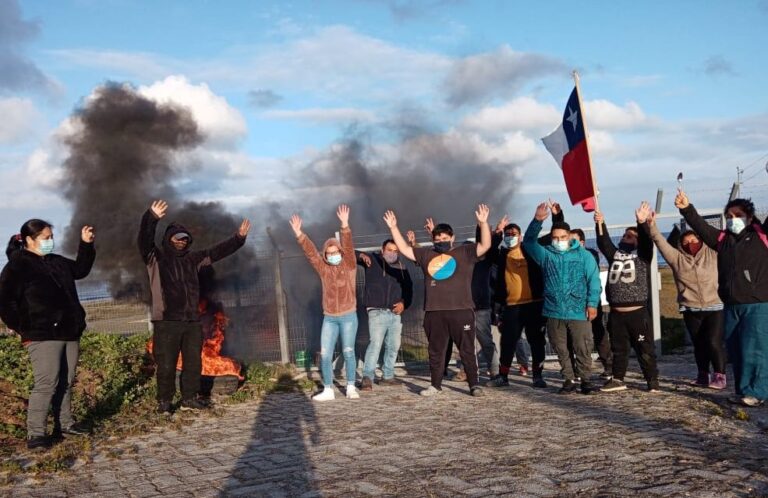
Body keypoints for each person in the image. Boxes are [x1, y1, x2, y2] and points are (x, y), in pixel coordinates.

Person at [139, 200, 250, 414]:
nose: (181, 242)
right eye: (177, 238)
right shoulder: (155, 258)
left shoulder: (193, 259)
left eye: (185, 239)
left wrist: (239, 239)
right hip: (166, 321)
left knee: (193, 363)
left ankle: (189, 397)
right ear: (168, 239)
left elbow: (217, 252)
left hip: (191, 321)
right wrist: (151, 217)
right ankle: (164, 401)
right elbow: (144, 240)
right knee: (167, 365)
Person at [0, 220, 95, 450]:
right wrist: (24, 327)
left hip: (69, 331)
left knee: (67, 379)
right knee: (46, 382)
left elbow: (80, 270)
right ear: (30, 240)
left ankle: (65, 424)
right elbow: (4, 301)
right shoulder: (17, 266)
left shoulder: (56, 261)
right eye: (45, 238)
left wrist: (86, 245)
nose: (50, 241)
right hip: (41, 334)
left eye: (51, 236)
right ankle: (36, 434)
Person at [384, 205, 492, 397]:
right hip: (434, 312)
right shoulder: (426, 254)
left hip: (462, 310)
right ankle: (435, 385)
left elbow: (485, 245)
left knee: (467, 350)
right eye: (437, 238)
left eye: (444, 238)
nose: (441, 241)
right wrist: (393, 227)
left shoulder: (464, 252)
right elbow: (404, 249)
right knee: (436, 351)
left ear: (452, 238)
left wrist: (483, 223)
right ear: (432, 240)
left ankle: (474, 384)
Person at [676, 191, 768, 406]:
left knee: (755, 349)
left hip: (758, 303)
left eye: (738, 215)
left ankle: (758, 392)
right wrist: (686, 208)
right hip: (731, 305)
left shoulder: (762, 235)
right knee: (736, 351)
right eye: (729, 216)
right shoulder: (722, 240)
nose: (733, 219)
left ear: (750, 217)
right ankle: (743, 391)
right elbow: (701, 227)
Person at [641, 205, 726, 388]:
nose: (690, 244)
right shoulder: (676, 258)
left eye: (694, 239)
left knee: (713, 341)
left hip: (715, 306)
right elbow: (660, 241)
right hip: (690, 308)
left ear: (701, 240)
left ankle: (720, 375)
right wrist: (651, 225)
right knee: (699, 344)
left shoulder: (713, 253)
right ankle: (703, 374)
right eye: (686, 242)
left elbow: (713, 235)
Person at [522, 203, 601, 395]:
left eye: (563, 237)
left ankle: (586, 380)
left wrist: (592, 304)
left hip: (578, 310)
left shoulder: (584, 256)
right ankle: (568, 379)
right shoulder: (546, 255)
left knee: (582, 347)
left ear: (569, 236)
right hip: (554, 310)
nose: (559, 240)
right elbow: (529, 242)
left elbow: (594, 280)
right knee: (560, 348)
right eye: (555, 238)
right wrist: (537, 221)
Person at [487, 200, 565, 389]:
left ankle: (537, 376)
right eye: (508, 234)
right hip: (511, 306)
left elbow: (554, 236)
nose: (510, 237)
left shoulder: (532, 250)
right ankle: (503, 376)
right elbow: (488, 250)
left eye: (514, 234)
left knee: (537, 341)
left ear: (521, 236)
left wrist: (556, 216)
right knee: (508, 342)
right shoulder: (501, 255)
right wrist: (498, 232)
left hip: (535, 303)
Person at [290, 205, 359, 401]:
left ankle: (351, 386)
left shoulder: (349, 265)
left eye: (335, 251)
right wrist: (299, 234)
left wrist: (345, 226)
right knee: (326, 354)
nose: (333, 255)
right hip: (329, 317)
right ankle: (328, 389)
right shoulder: (323, 270)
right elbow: (312, 254)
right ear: (326, 255)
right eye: (329, 253)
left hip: (348, 316)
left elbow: (349, 247)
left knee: (348, 352)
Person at [595, 203, 660, 393]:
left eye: (631, 236)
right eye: (624, 235)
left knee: (644, 349)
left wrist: (641, 223)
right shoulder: (615, 255)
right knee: (619, 349)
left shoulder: (643, 255)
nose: (626, 237)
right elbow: (604, 242)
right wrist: (601, 223)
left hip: (637, 313)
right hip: (616, 314)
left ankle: (652, 380)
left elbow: (647, 242)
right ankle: (617, 379)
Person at [356, 239, 413, 390]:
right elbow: (349, 254)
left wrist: (404, 303)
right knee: (375, 344)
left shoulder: (402, 268)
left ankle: (388, 376)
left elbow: (409, 290)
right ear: (382, 250)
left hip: (395, 314)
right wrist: (361, 255)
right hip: (376, 311)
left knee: (393, 346)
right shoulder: (372, 261)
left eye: (395, 251)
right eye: (389, 249)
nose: (392, 253)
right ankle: (367, 377)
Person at [570, 228, 612, 378]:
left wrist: (592, 302)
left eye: (573, 240)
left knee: (599, 332)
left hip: (592, 300)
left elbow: (591, 277)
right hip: (574, 303)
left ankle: (608, 365)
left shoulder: (589, 255)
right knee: (577, 337)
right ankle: (579, 368)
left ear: (582, 242)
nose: (569, 243)